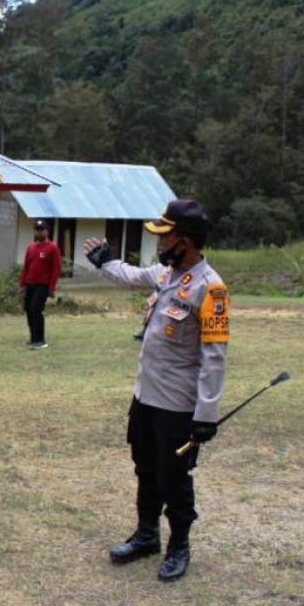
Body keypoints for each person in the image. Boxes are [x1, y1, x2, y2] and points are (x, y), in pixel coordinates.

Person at [82, 199, 229, 582]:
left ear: (185, 240)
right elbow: (131, 276)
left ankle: (178, 545)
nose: (159, 245)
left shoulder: (210, 290)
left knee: (173, 477)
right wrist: (105, 262)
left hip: (178, 405)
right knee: (145, 468)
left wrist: (206, 414)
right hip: (146, 395)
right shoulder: (167, 275)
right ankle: (146, 535)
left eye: (165, 237)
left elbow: (214, 358)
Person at [19, 218, 62, 349]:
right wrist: (22, 285)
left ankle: (40, 340)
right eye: (37, 230)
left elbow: (56, 269)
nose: (39, 232)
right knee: (28, 310)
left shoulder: (52, 247)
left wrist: (51, 287)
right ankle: (33, 338)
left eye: (41, 230)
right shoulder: (31, 247)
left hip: (42, 285)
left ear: (47, 231)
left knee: (36, 309)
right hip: (30, 284)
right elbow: (26, 266)